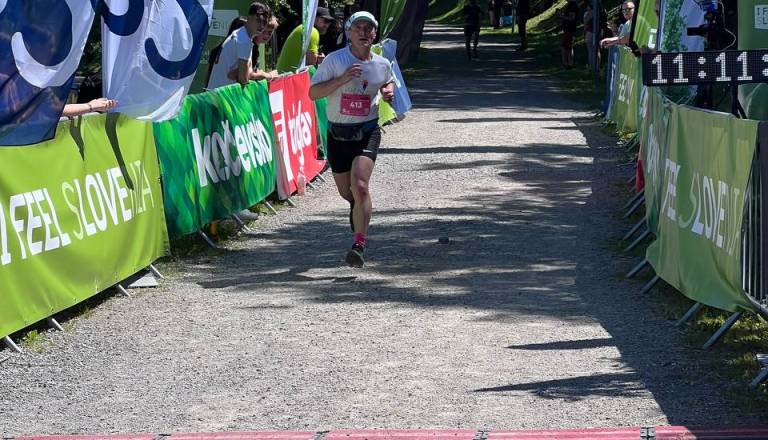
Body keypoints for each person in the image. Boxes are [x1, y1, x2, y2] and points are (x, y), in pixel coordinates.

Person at [308, 11, 394, 268]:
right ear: (349, 33)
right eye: (358, 28)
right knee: (348, 193)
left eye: (369, 28)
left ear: (375, 34)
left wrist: (387, 91)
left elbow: (387, 81)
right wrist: (342, 79)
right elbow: (313, 93)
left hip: (367, 131)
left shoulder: (382, 64)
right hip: (338, 134)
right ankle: (357, 207)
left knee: (361, 185)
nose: (364, 32)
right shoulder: (335, 60)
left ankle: (359, 244)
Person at [206, 2, 277, 90]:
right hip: (222, 95)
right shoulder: (244, 41)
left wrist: (247, 73)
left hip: (218, 93)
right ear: (249, 18)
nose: (262, 26)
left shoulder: (242, 34)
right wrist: (267, 75)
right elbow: (243, 79)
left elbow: (237, 75)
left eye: (265, 22)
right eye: (258, 20)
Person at [276, 7, 335, 73]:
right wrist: (320, 62)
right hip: (289, 77)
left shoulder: (305, 28)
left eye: (329, 22)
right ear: (315, 19)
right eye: (325, 21)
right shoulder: (312, 31)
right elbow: (311, 67)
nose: (327, 25)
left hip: (284, 75)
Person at [558, 0, 579, 69]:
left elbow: (572, 18)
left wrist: (562, 16)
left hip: (570, 30)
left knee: (568, 47)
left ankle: (569, 64)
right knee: (564, 47)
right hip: (567, 29)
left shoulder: (572, 5)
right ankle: (566, 63)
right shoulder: (570, 4)